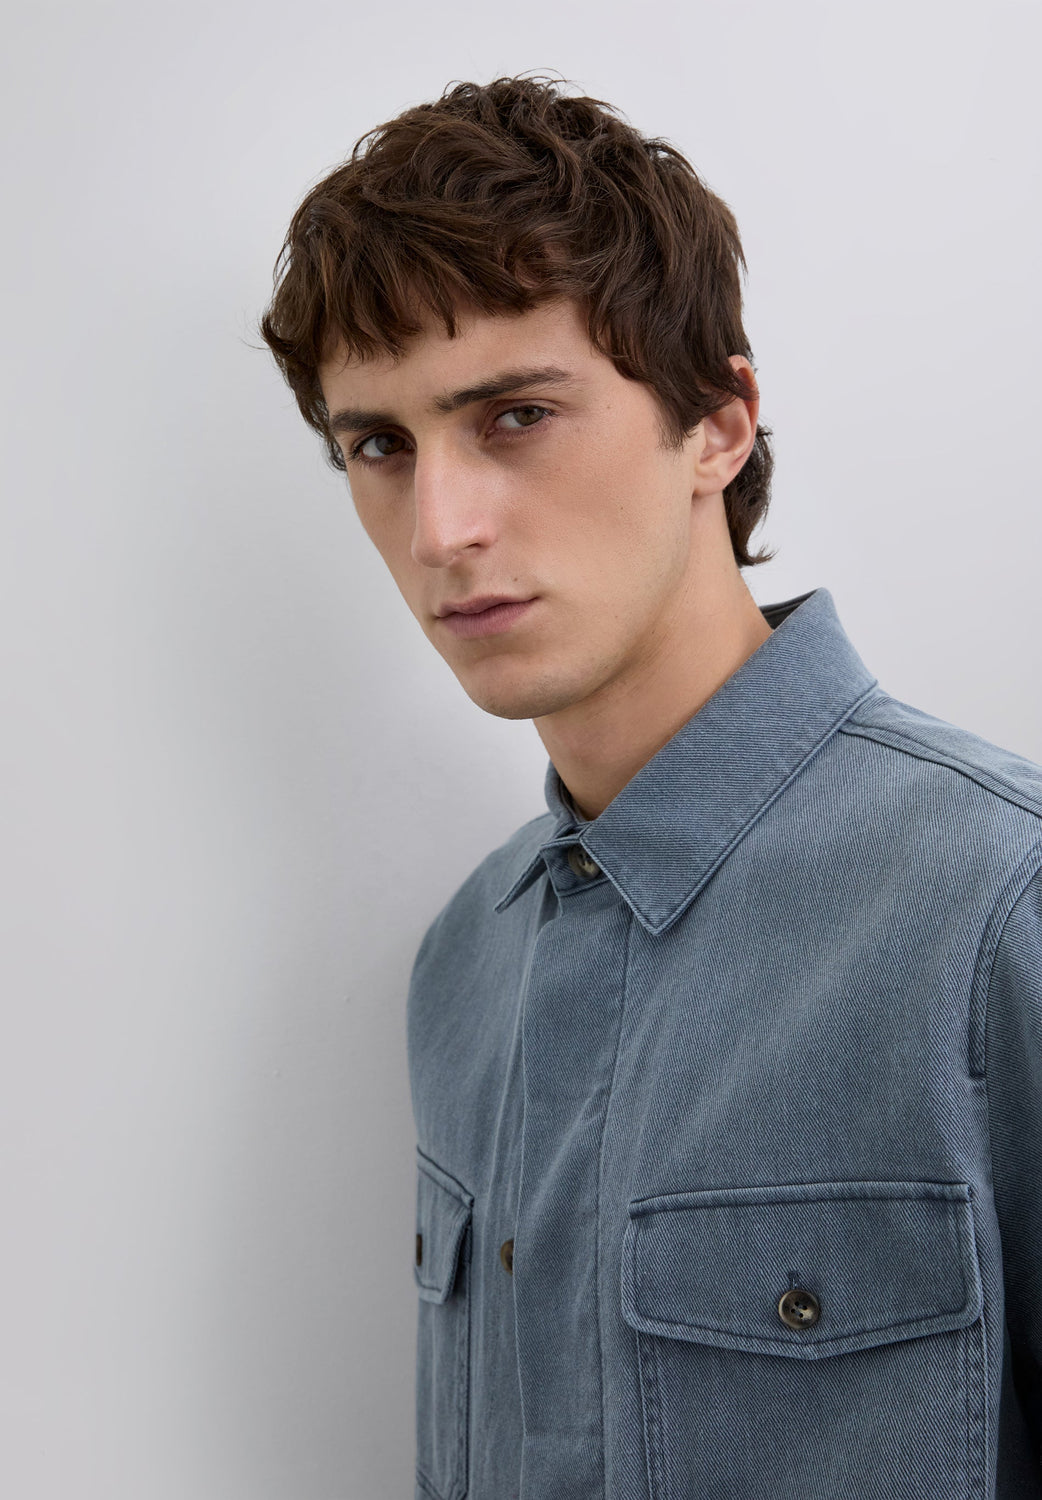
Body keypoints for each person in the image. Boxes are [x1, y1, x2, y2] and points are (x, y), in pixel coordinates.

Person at [258, 74, 1041, 1500]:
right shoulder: (466, 962)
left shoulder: (1000, 903)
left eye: (515, 414)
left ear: (718, 427)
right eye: (378, 445)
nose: (440, 528)